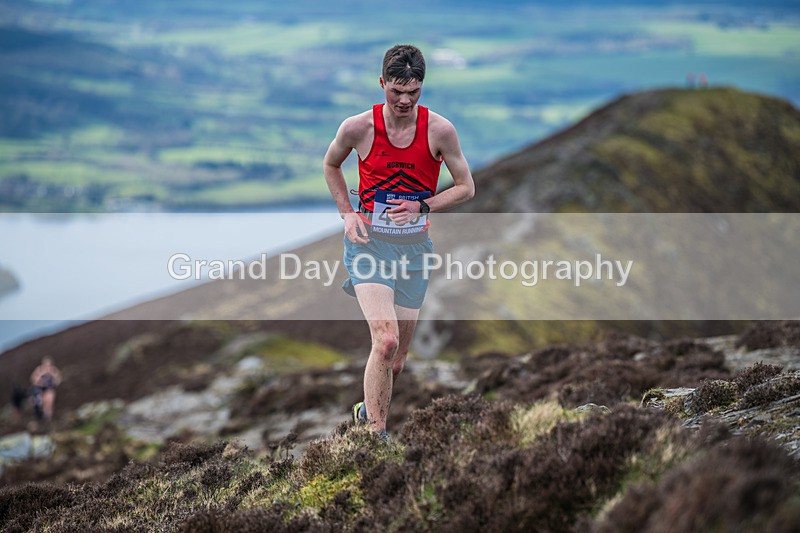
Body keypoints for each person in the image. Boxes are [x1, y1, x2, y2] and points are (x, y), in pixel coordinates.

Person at [323, 44, 475, 440]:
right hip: (369, 246)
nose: (405, 100)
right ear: (381, 84)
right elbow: (331, 164)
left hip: (414, 251)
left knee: (396, 362)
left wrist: (422, 205)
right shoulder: (358, 127)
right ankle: (377, 435)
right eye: (396, 91)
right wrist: (348, 213)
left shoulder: (440, 131)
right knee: (385, 340)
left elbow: (466, 188)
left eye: (414, 91)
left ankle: (364, 410)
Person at [29, 356, 62, 421]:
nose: (47, 367)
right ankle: (40, 416)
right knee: (39, 403)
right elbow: (33, 380)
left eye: (49, 365)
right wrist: (40, 376)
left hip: (49, 389)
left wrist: (53, 375)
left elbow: (58, 381)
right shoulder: (39, 370)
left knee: (49, 403)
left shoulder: (53, 370)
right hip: (40, 390)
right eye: (45, 365)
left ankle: (48, 418)